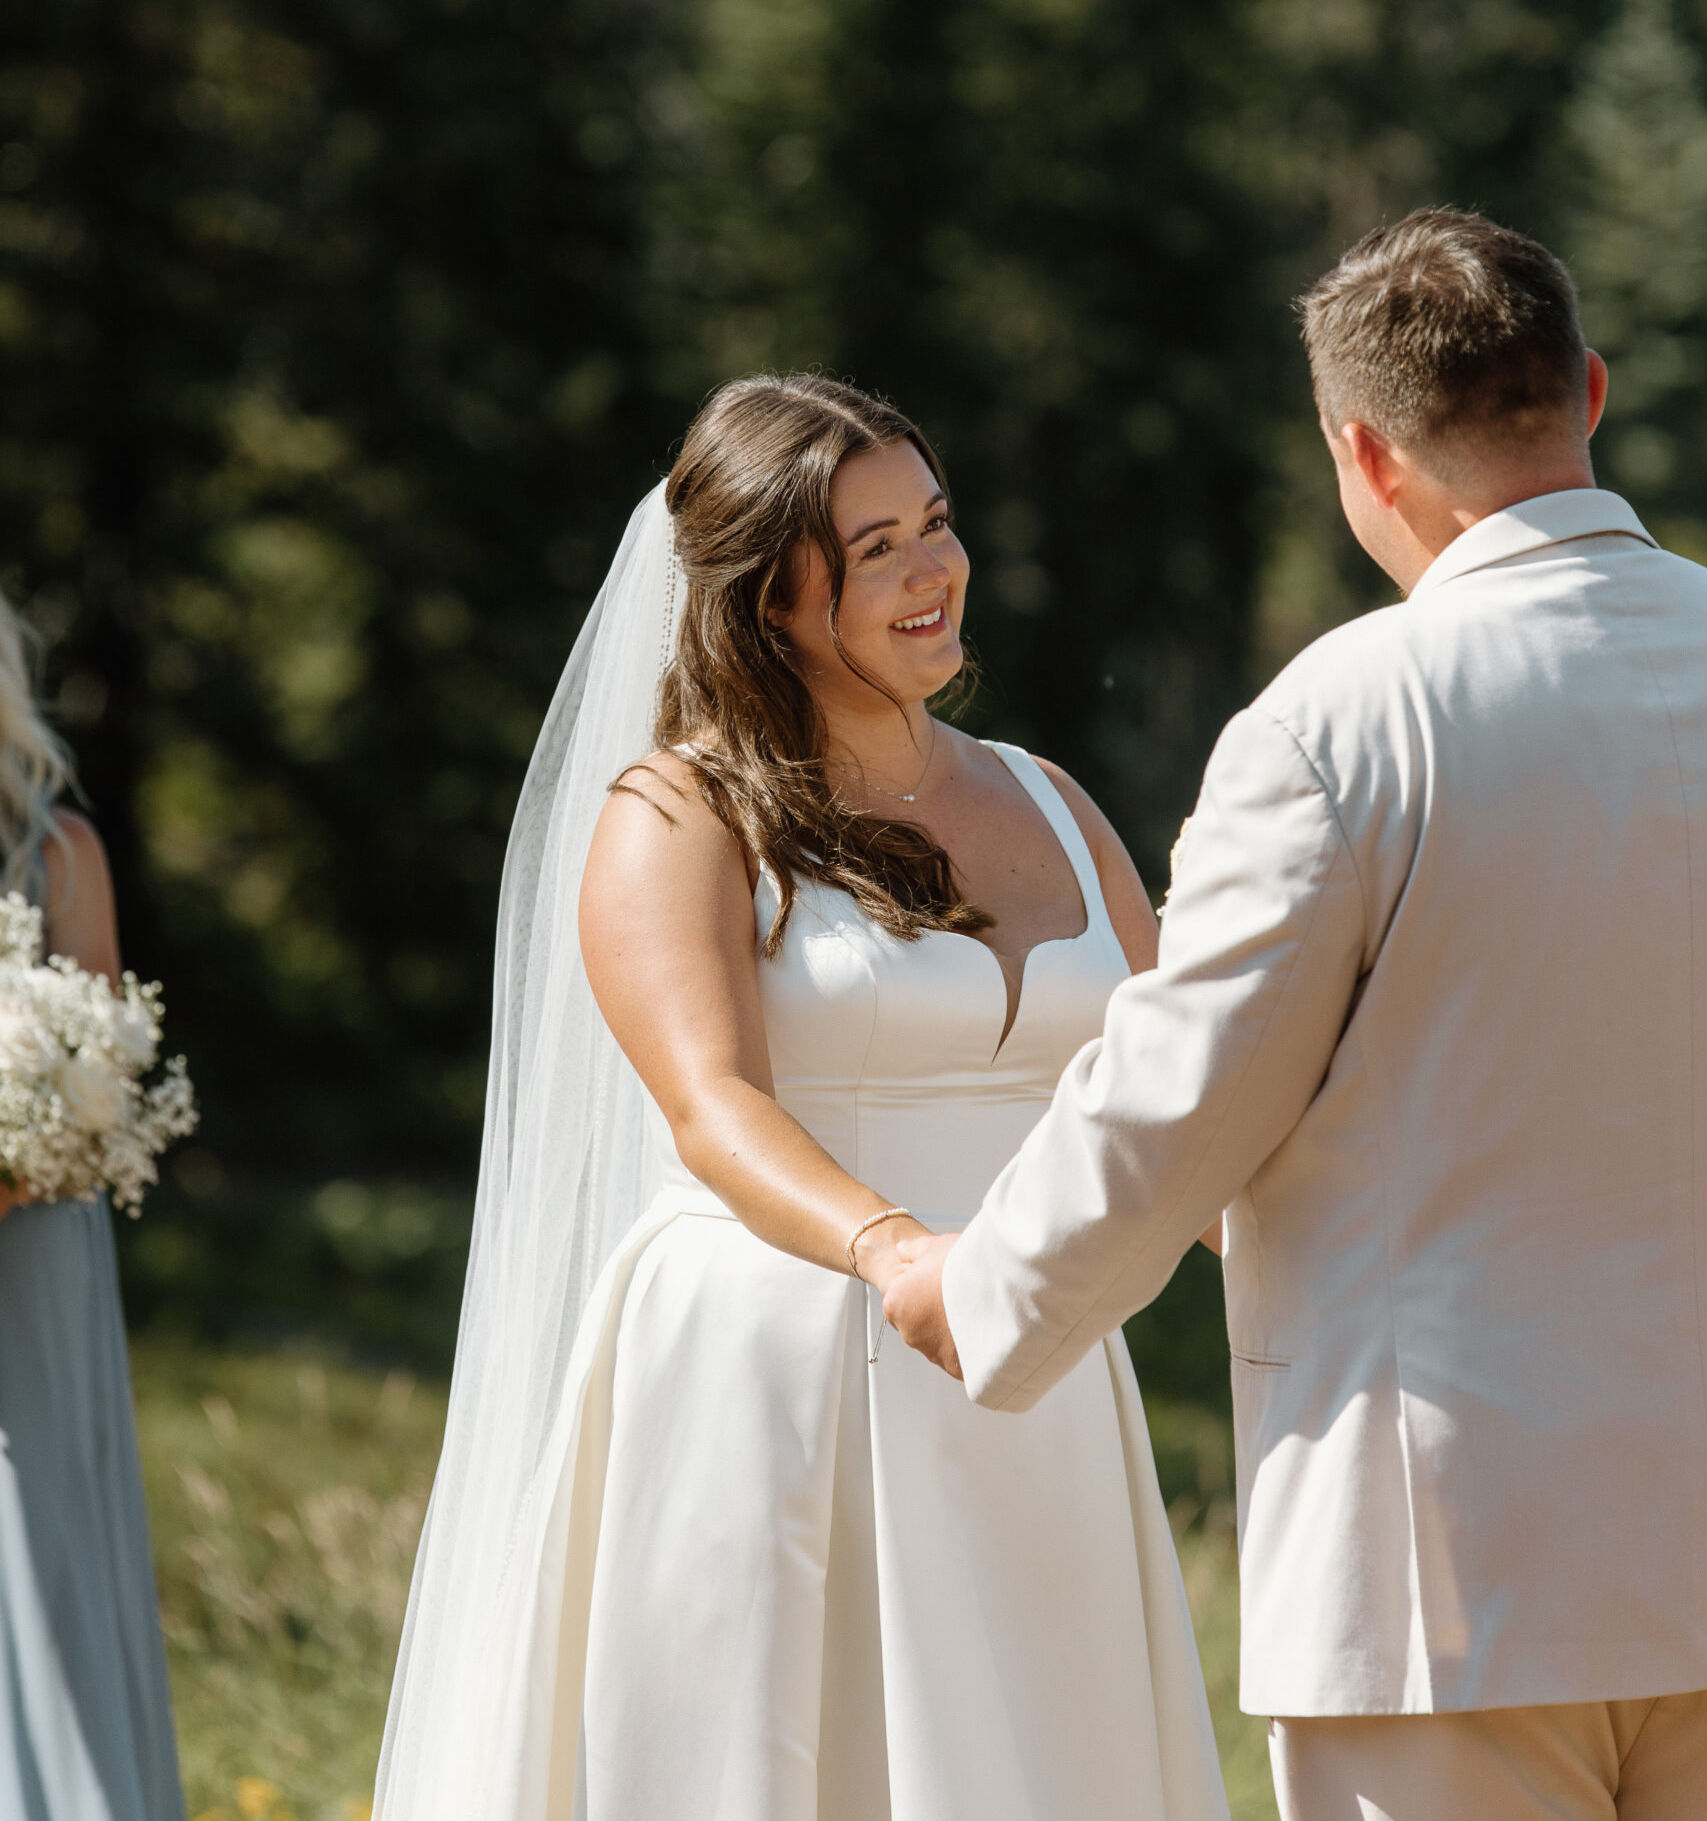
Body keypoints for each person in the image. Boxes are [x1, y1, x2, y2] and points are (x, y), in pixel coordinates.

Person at [887, 207, 1707, 1821]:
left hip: (1446, 1566)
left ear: (1363, 453)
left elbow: (1185, 1090)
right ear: (1589, 392)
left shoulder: (1344, 720)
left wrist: (978, 1290)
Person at [376, 373, 1228, 1821]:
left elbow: (1182, 1090)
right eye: (875, 545)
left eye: (935, 523)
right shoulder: (678, 814)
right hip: (781, 1357)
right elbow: (711, 1107)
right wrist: (897, 1251)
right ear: (770, 596)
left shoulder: (1053, 801)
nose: (933, 568)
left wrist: (1340, 1248)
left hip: (1033, 1371)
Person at [0, 592, 186, 1821]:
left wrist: (21, 1146)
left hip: (30, 1264)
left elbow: (104, 1078)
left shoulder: (54, 853)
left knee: (38, 1552)